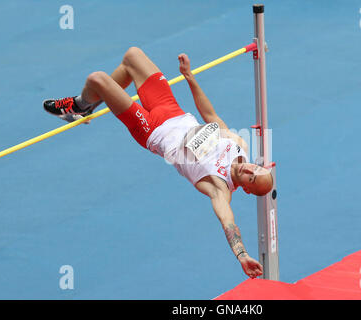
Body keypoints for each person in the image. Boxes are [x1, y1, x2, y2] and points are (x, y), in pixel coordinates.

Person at [43, 47, 273, 278]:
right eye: (256, 167)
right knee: (132, 57)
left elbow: (228, 222)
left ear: (246, 188)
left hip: (151, 129)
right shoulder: (239, 145)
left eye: (250, 177)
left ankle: (80, 104)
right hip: (172, 110)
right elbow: (210, 115)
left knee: (97, 78)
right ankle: (87, 106)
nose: (249, 169)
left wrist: (241, 255)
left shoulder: (220, 188)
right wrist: (189, 77)